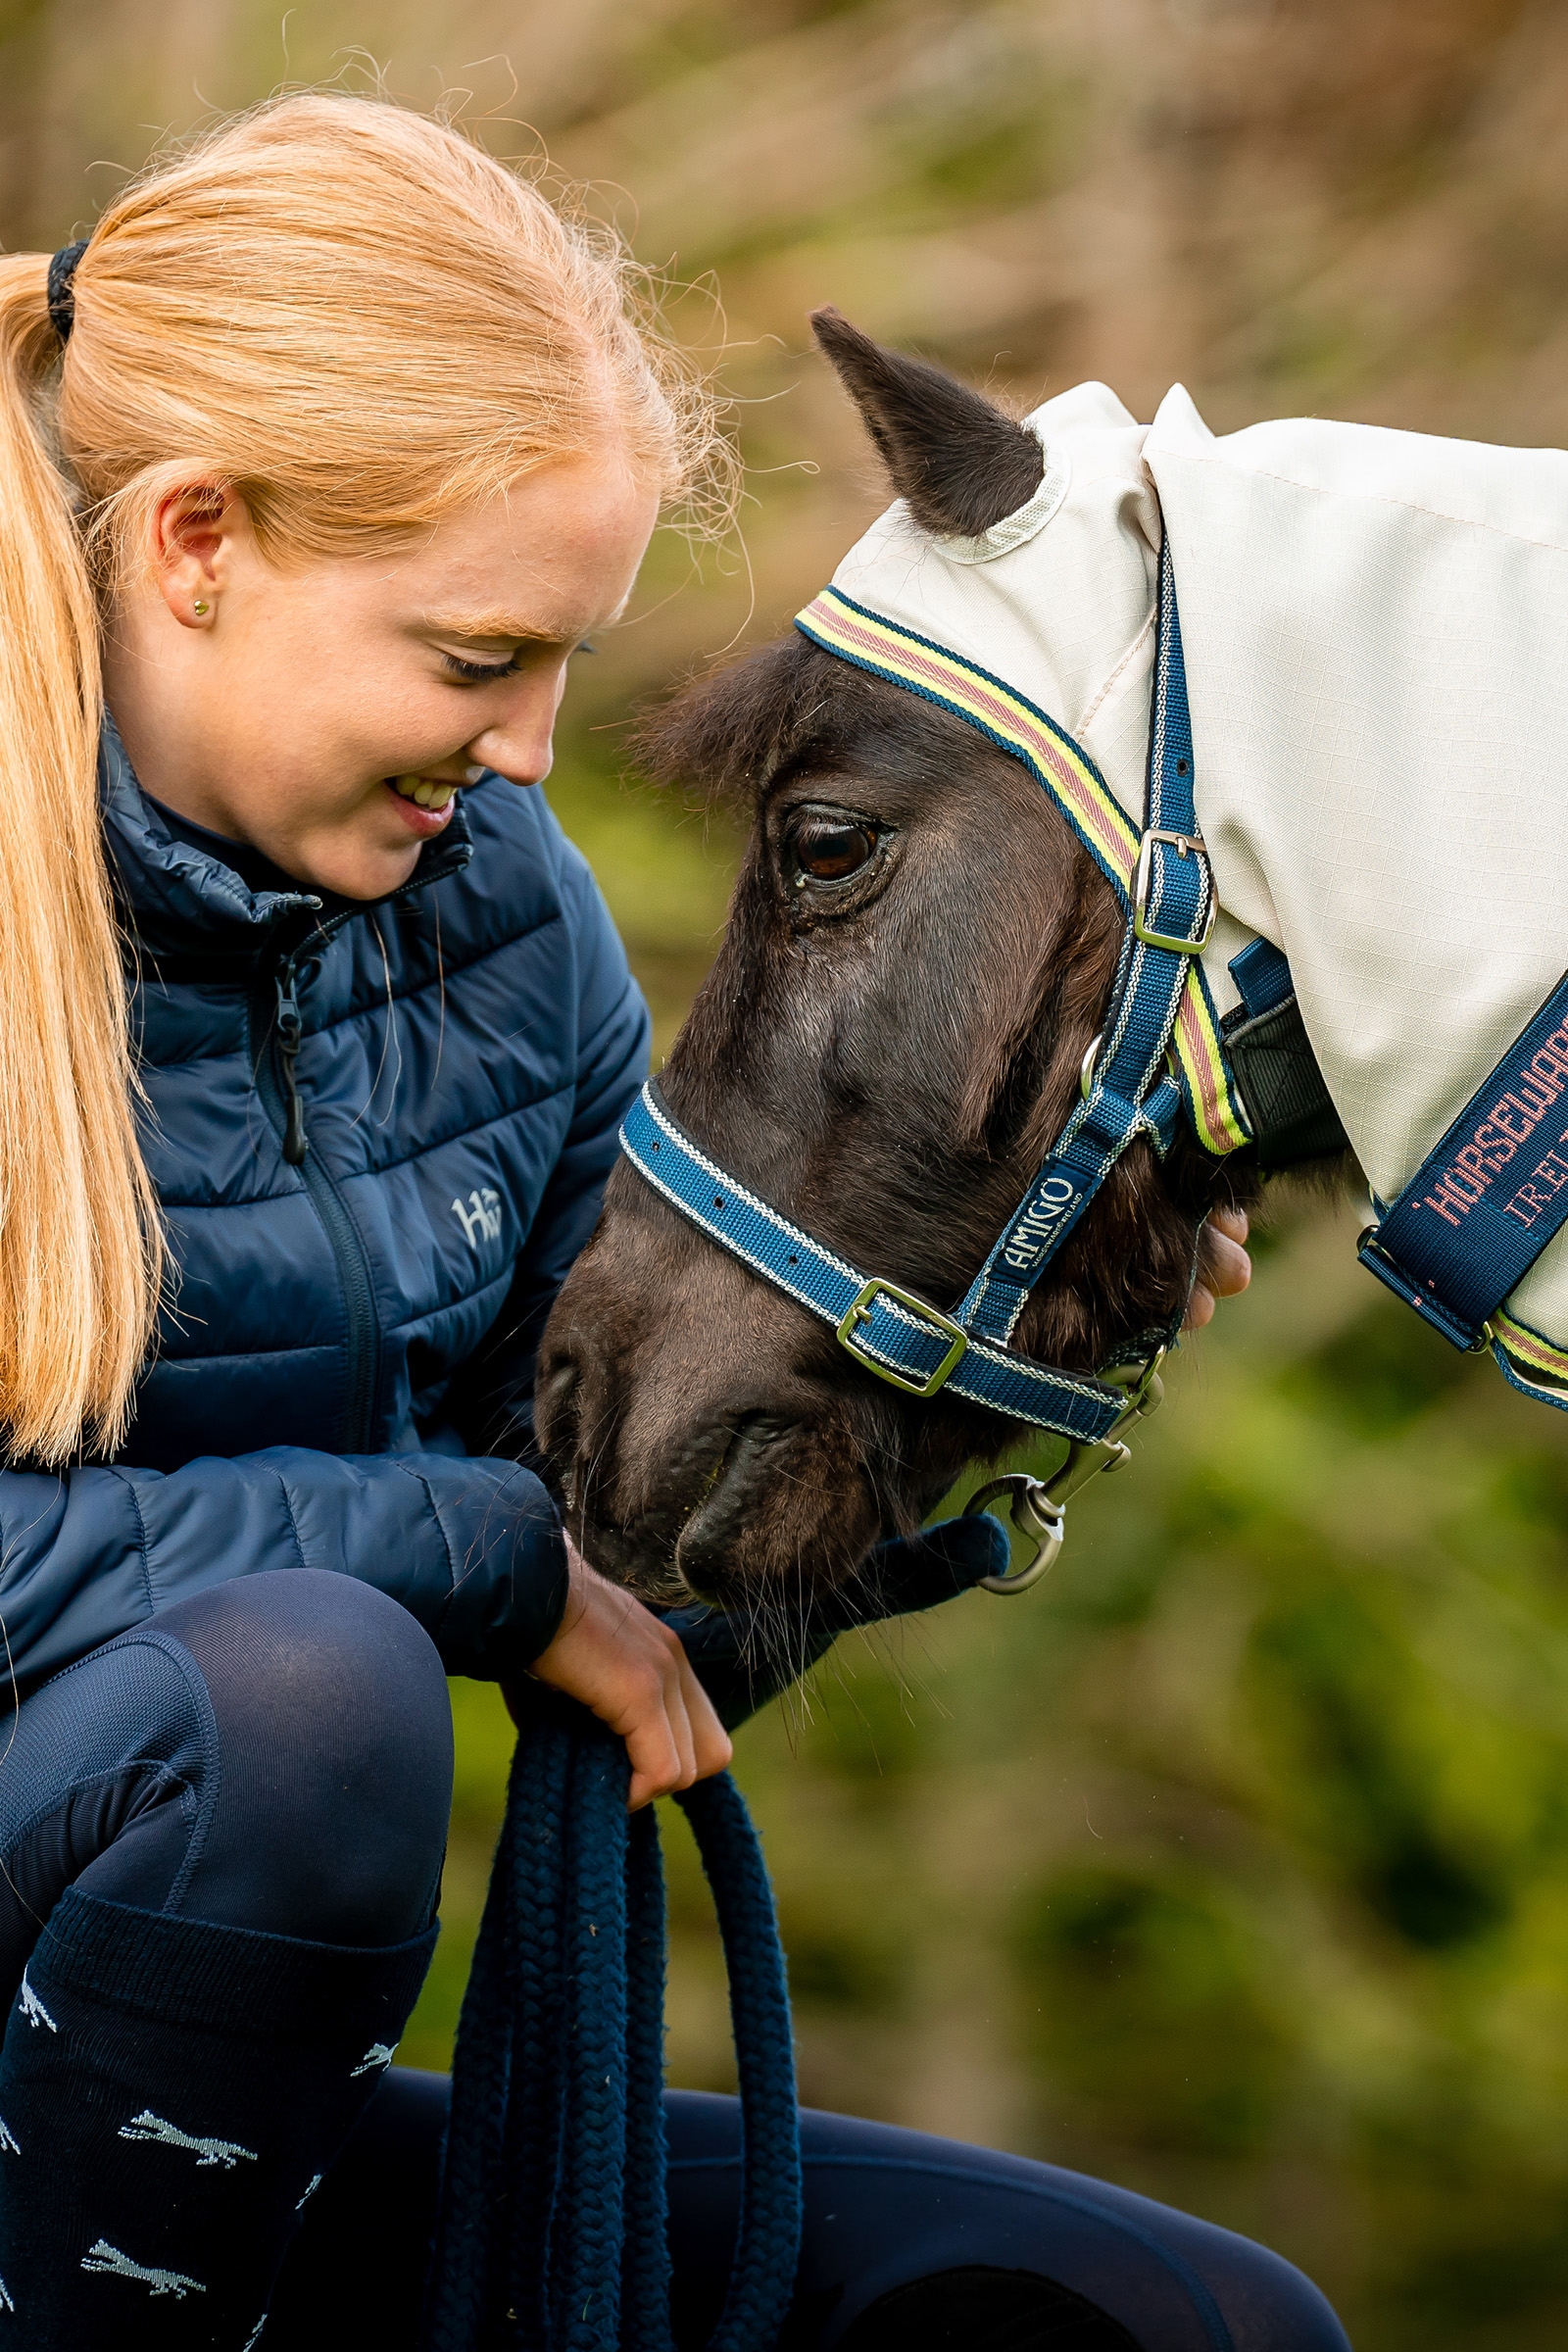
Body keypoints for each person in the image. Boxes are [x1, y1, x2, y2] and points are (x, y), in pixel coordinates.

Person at [0, 87, 1329, 2352]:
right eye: (469, 656)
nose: (524, 753)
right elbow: (503, 1568)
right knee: (307, 1708)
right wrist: (482, 1569)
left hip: (205, 2127)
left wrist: (1021, 1303)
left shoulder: (486, 903)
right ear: (200, 539)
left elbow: (618, 1493)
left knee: (1152, 2317)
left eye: (559, 664)